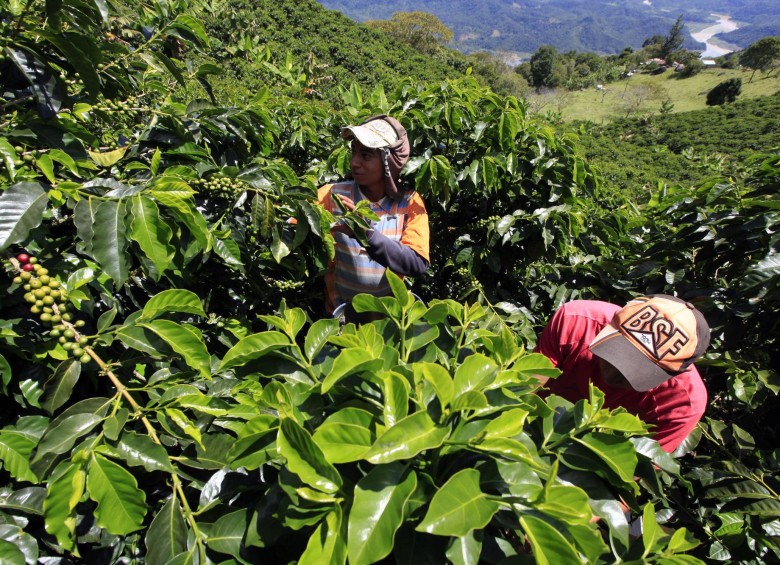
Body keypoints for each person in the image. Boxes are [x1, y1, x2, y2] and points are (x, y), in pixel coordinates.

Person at [534, 295, 710, 453]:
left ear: (674, 373)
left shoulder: (682, 404)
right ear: (611, 324)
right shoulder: (578, 320)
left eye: (639, 369)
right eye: (616, 353)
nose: (614, 373)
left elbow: (630, 468)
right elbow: (525, 389)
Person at [318, 115, 429, 322]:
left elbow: (416, 263)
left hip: (391, 319)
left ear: (389, 161)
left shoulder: (410, 203)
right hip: (341, 315)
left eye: (366, 155)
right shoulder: (332, 195)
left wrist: (365, 233)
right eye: (354, 153)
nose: (354, 163)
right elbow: (292, 227)